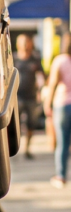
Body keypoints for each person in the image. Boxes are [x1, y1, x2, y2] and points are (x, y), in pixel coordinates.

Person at [14, 34, 45, 159]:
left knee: (31, 124)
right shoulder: (14, 58)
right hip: (17, 96)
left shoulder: (35, 58)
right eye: (23, 42)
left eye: (27, 42)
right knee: (15, 123)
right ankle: (15, 148)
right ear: (18, 44)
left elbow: (42, 75)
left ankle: (27, 148)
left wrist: (42, 90)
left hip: (31, 96)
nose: (26, 45)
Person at [46, 35, 71, 188]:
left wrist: (47, 104)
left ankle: (61, 176)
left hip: (62, 105)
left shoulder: (60, 61)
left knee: (62, 143)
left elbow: (53, 83)